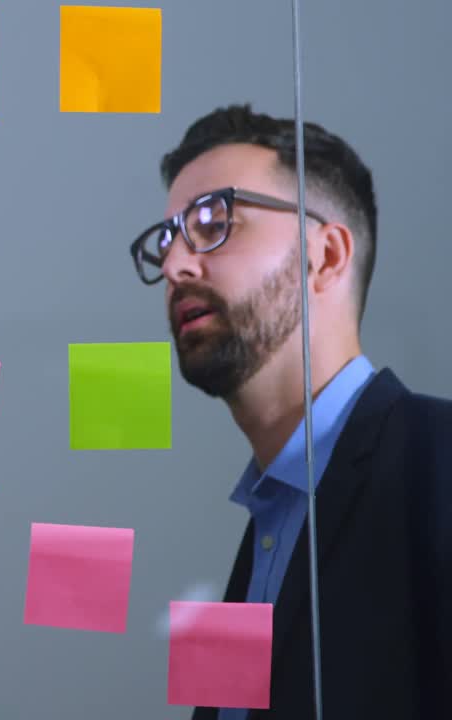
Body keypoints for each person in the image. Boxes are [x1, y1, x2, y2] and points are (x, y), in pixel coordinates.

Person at [130, 104, 451, 718]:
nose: (174, 266)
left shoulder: (437, 462)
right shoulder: (268, 527)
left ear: (326, 255)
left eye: (213, 222)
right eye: (168, 241)